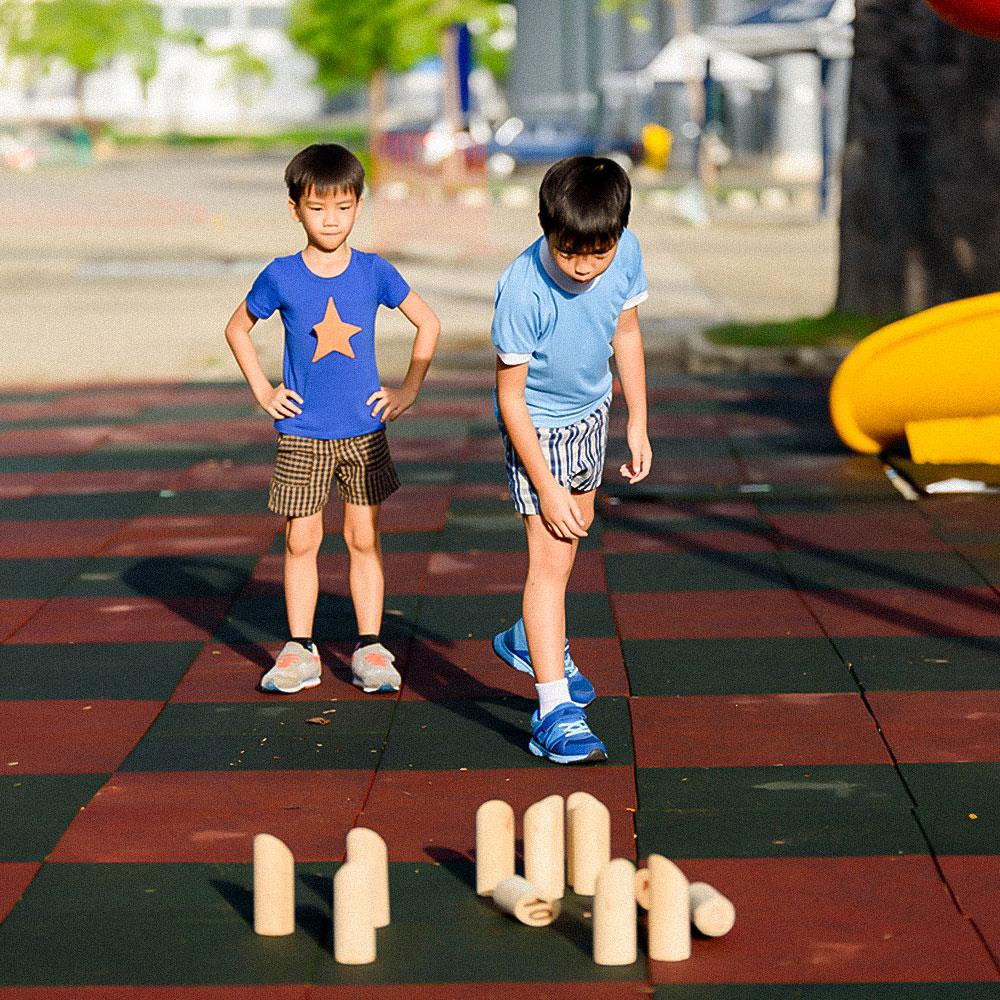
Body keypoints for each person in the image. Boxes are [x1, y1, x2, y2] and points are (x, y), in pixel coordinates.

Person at [224, 143, 440, 695]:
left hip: (364, 432)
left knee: (363, 537)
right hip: (302, 434)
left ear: (359, 206)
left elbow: (428, 324)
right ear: (295, 208)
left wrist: (409, 390)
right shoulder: (281, 275)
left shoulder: (373, 271)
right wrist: (262, 391)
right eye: (318, 208)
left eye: (343, 207)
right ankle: (300, 648)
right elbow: (237, 329)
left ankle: (370, 645)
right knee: (301, 540)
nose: (331, 219)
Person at [491, 155, 652, 764]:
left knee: (570, 548)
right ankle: (554, 710)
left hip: (592, 414)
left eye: (599, 252)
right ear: (544, 227)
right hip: (537, 427)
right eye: (569, 253)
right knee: (549, 564)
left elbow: (626, 333)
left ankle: (529, 642)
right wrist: (545, 484)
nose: (585, 267)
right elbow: (509, 397)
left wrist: (636, 420)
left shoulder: (626, 251)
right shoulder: (523, 288)